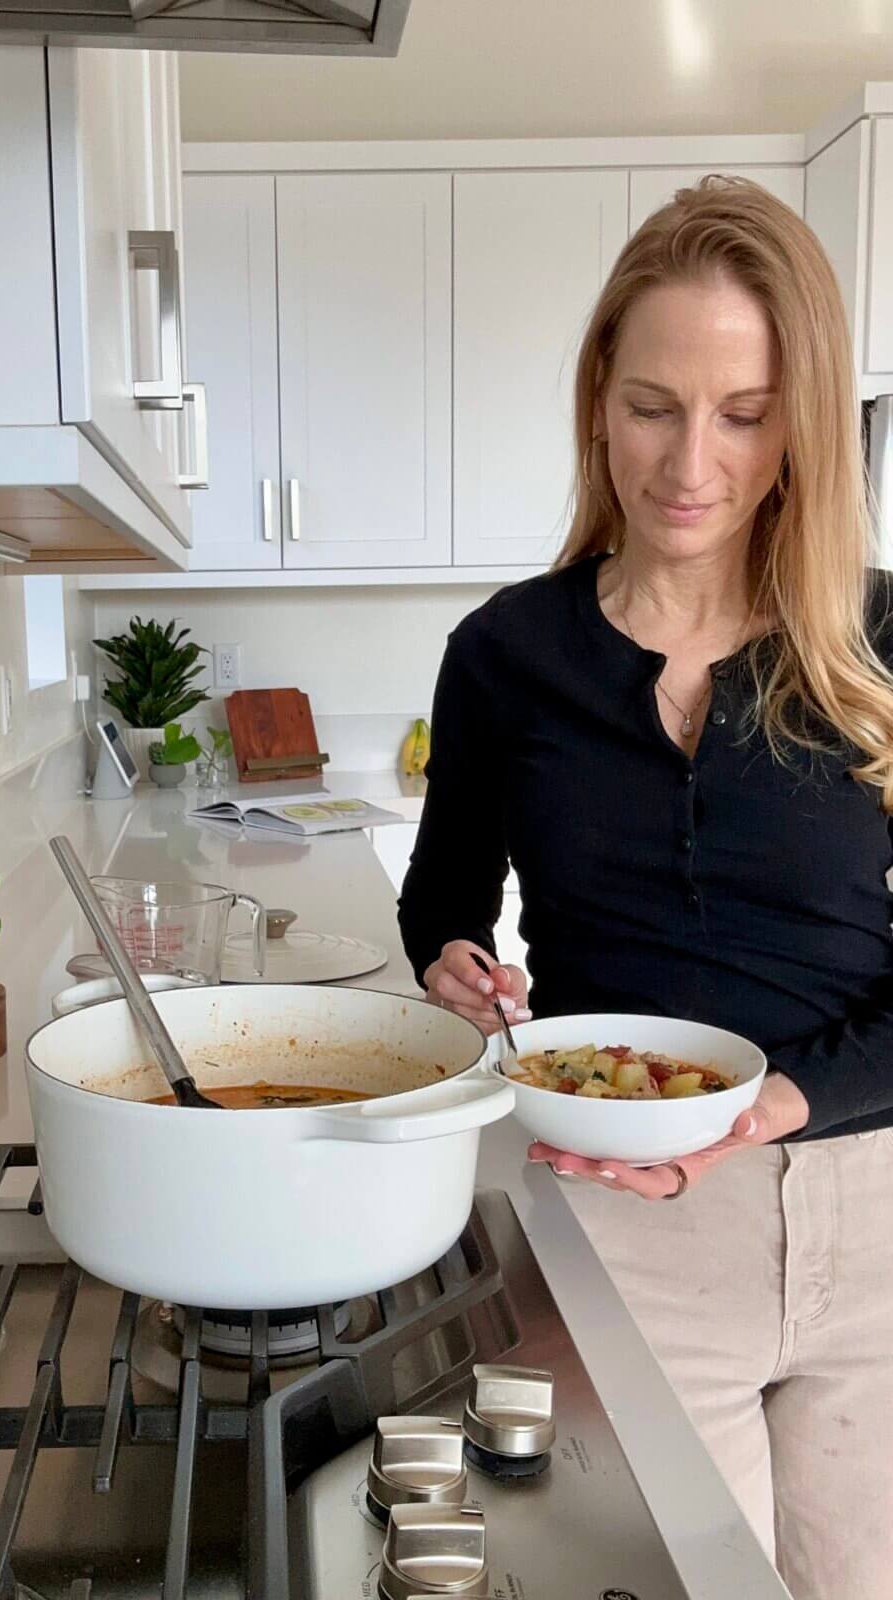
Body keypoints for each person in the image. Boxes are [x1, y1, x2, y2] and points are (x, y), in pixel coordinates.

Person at [398, 177, 893, 1600]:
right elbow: (445, 895)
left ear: (800, 426)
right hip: (622, 1219)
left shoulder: (882, 638)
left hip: (872, 1208)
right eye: (652, 406)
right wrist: (451, 959)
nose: (690, 462)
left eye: (743, 413)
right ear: (596, 404)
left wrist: (781, 1103)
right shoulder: (505, 655)